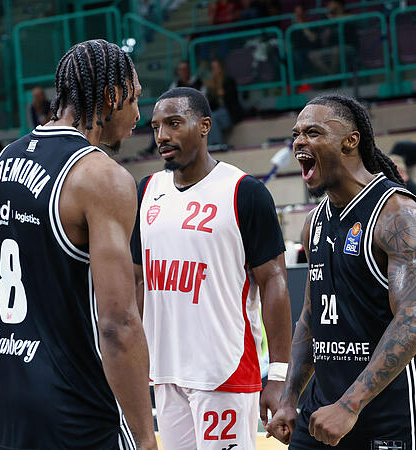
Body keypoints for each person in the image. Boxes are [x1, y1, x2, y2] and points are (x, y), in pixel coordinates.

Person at [0, 39, 156, 450]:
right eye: (134, 99)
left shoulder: (2, 163)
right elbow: (117, 324)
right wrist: (145, 437)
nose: (138, 115)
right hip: (77, 407)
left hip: (8, 400)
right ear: (111, 96)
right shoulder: (101, 177)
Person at [266, 95, 416, 449]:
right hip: (322, 413)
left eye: (313, 132)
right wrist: (289, 398)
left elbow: (414, 320)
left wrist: (350, 405)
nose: (299, 142)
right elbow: (311, 317)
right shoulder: (314, 223)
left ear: (351, 141)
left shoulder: (396, 213)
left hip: (393, 422)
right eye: (296, 134)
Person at [131, 87, 292, 450]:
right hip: (166, 371)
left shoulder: (244, 191)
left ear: (205, 125)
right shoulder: (147, 191)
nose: (162, 136)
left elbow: (274, 281)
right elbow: (139, 281)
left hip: (224, 371)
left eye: (174, 123)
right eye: (155, 127)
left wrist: (279, 376)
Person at [203, 59, 242, 146]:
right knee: (207, 119)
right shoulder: (212, 84)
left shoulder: (228, 80)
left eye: (217, 67)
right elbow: (211, 104)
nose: (215, 70)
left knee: (212, 118)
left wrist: (218, 90)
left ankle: (216, 144)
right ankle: (208, 145)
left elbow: (231, 98)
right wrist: (210, 92)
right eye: (213, 68)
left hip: (230, 113)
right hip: (219, 114)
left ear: (222, 68)